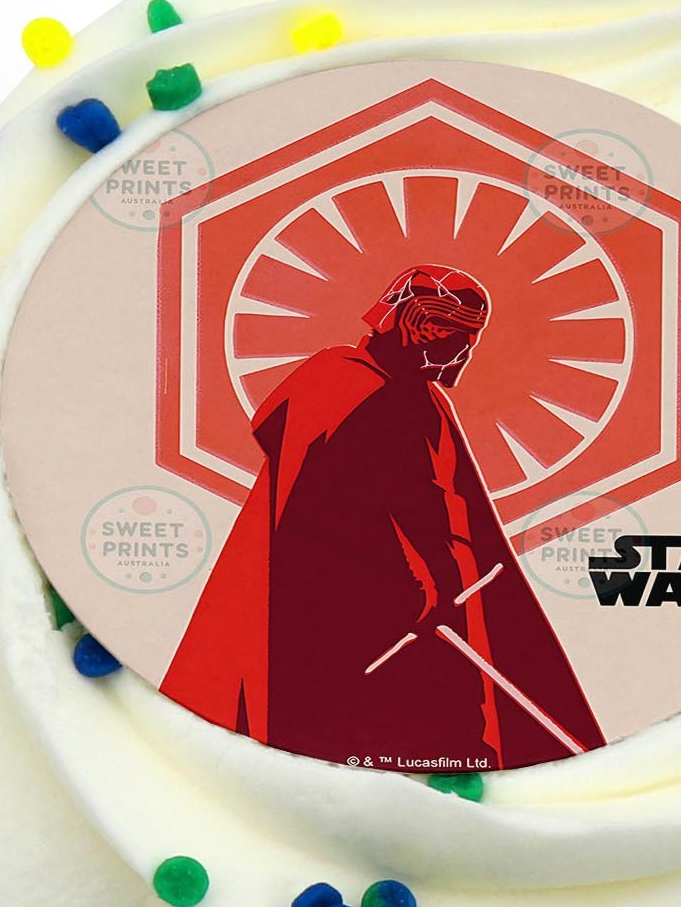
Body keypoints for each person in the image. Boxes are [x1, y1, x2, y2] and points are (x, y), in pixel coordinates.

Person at [162, 265, 605, 770]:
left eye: (469, 336)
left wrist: (454, 589)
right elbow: (329, 502)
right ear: (411, 325)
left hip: (428, 611)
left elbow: (448, 509)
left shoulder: (419, 398)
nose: (462, 351)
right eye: (448, 332)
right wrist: (419, 585)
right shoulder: (347, 383)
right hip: (359, 620)